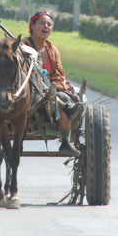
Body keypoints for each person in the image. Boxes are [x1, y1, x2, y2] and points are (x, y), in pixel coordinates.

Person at [22, 11, 82, 157]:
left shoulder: (53, 50)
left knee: (64, 96)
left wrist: (51, 87)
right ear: (33, 26)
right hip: (28, 89)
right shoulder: (23, 47)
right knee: (60, 102)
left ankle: (66, 143)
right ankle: (66, 108)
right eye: (42, 23)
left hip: (51, 89)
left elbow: (59, 75)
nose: (46, 26)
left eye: (49, 24)